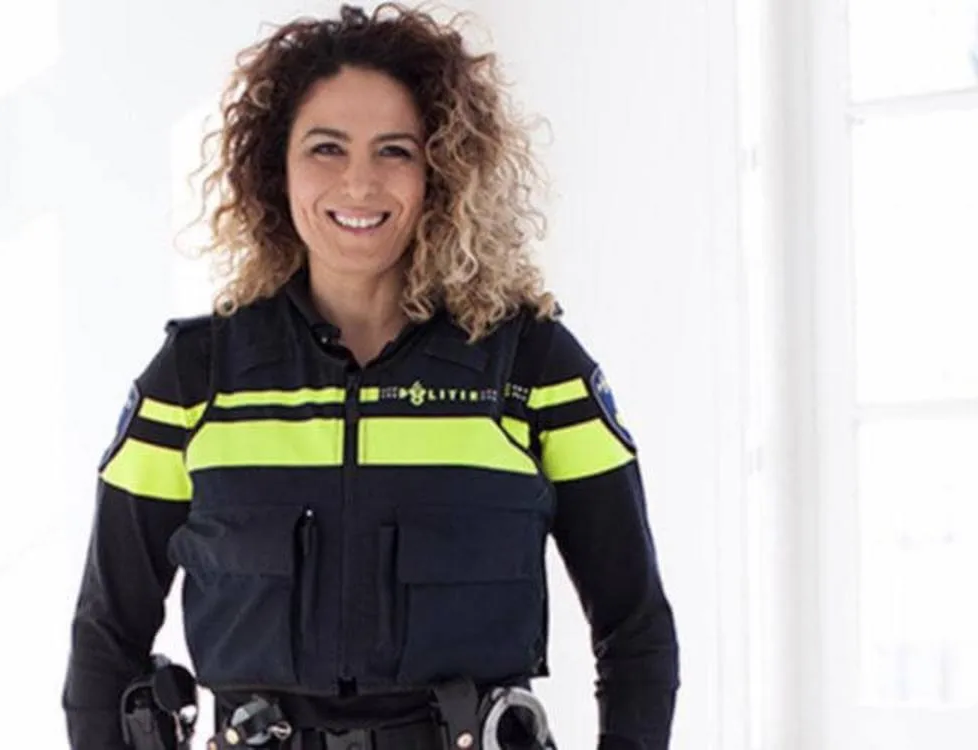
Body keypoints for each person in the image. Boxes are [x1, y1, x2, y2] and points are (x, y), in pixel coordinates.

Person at [62, 4, 679, 749]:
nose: (359, 183)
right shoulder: (194, 380)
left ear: (439, 171)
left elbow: (635, 629)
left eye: (395, 151)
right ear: (276, 169)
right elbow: (106, 639)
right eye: (326, 148)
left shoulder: (534, 368)